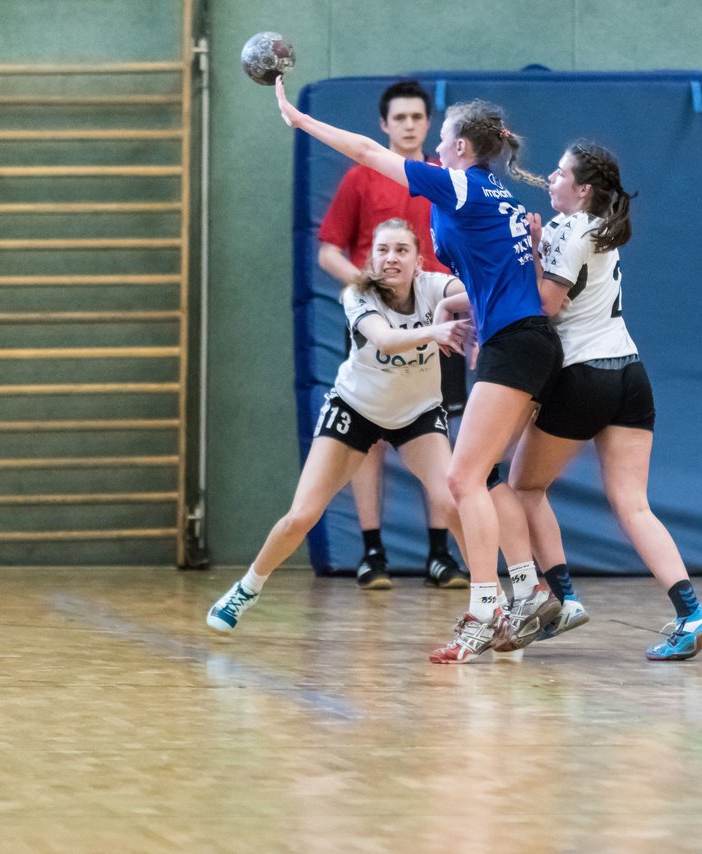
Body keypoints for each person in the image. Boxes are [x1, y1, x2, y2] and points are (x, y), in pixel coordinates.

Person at [275, 79, 563, 663]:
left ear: (458, 145)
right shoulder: (498, 194)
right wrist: (453, 313)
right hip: (524, 341)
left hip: (515, 344)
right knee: (485, 480)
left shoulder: (458, 185)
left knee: (464, 480)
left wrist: (300, 120)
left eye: (443, 136)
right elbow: (494, 281)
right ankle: (528, 590)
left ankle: (489, 609)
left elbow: (366, 151)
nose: (434, 145)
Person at [207, 219, 472, 633]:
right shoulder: (358, 294)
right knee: (302, 515)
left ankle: (490, 607)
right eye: (382, 250)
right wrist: (437, 328)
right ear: (371, 259)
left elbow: (477, 292)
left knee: (454, 503)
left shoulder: (434, 287)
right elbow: (383, 339)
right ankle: (248, 586)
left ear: (419, 261)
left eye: (401, 250)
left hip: (417, 413)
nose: (391, 258)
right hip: (355, 409)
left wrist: (493, 272)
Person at [510, 142, 702, 661]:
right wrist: (540, 244)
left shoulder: (569, 229)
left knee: (523, 487)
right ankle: (692, 612)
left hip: (585, 375)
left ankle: (561, 600)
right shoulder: (599, 228)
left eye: (559, 173)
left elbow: (546, 307)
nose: (550, 179)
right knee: (633, 504)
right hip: (630, 373)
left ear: (582, 189)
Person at [316, 80, 467, 591]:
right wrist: (367, 293)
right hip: (376, 329)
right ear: (384, 125)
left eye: (416, 117)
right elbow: (329, 250)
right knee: (369, 438)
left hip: (438, 321)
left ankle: (441, 555)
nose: (407, 125)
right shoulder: (361, 178)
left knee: (438, 432)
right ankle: (372, 551)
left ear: (429, 124)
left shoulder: (446, 178)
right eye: (398, 118)